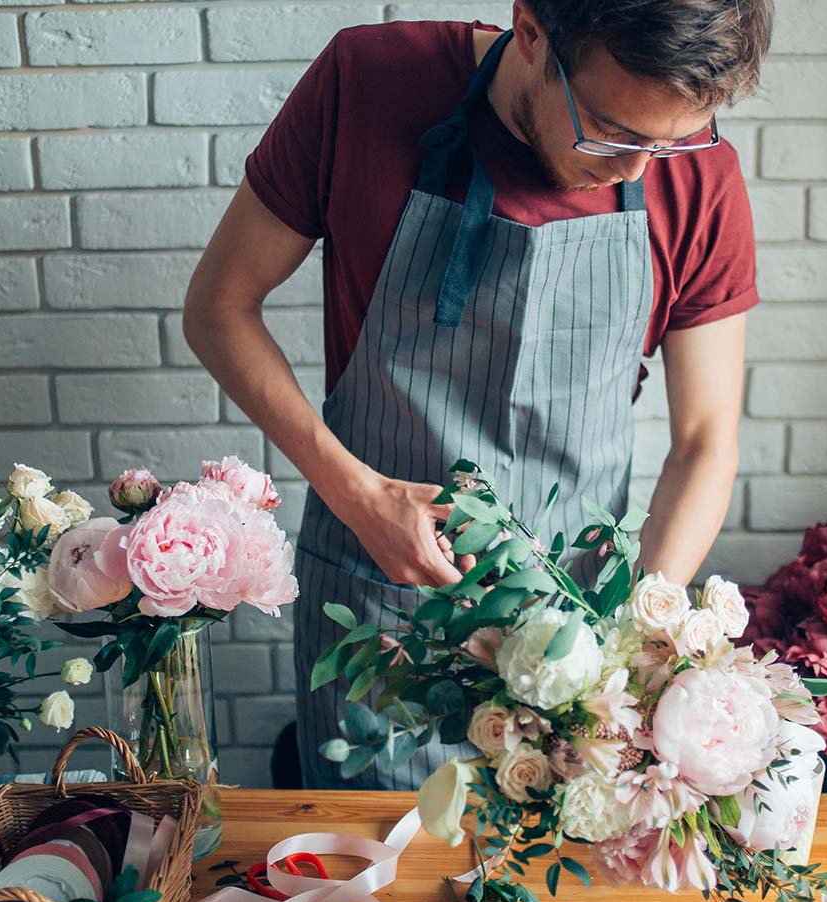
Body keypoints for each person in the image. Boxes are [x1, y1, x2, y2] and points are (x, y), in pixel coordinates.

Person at [184, 0, 772, 789]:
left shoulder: (697, 176)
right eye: (609, 127)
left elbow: (704, 442)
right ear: (531, 29)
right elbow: (218, 308)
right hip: (377, 608)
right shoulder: (367, 84)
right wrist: (357, 494)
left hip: (579, 635)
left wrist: (630, 646)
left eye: (669, 141)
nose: (636, 167)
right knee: (370, 900)